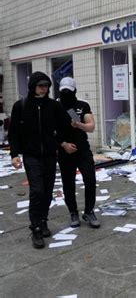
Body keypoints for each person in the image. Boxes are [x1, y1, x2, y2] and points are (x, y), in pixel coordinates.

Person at [9, 72, 68, 249]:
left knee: (48, 191)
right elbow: (13, 133)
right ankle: (35, 228)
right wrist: (14, 155)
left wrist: (64, 141)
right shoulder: (21, 106)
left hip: (50, 155)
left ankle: (43, 221)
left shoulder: (53, 106)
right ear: (33, 86)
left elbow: (64, 125)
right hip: (31, 155)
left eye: (47, 86)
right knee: (37, 190)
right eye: (41, 85)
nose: (44, 89)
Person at [57, 77, 100, 229]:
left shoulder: (81, 105)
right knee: (68, 183)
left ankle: (89, 211)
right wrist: (63, 144)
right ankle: (73, 212)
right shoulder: (55, 105)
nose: (66, 93)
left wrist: (79, 124)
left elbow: (91, 127)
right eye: (63, 91)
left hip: (82, 149)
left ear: (74, 90)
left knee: (90, 179)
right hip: (64, 150)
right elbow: (49, 131)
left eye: (69, 90)